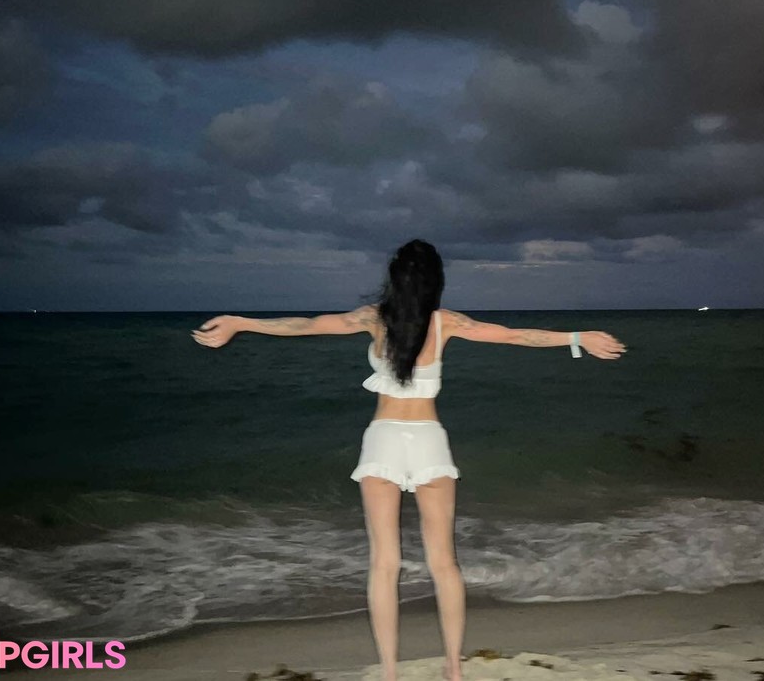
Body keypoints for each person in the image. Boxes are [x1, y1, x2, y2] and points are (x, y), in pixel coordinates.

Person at [191, 239, 626, 681]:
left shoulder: (372, 319)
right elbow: (515, 335)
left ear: (394, 279)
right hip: (428, 442)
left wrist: (241, 323)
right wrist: (578, 338)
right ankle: (453, 669)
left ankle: (389, 673)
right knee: (444, 564)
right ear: (436, 281)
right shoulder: (446, 323)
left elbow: (307, 325)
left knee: (384, 564)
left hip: (382, 441)